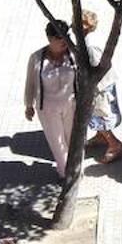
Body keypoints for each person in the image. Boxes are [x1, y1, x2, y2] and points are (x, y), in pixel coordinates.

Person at [21, 19, 76, 178]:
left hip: (72, 105)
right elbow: (30, 82)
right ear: (50, 39)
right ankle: (67, 175)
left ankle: (74, 169)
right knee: (58, 144)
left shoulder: (73, 54)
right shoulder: (37, 58)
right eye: (59, 38)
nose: (63, 41)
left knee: (73, 140)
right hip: (48, 109)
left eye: (66, 37)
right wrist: (28, 105)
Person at [78, 10, 122, 164]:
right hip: (97, 85)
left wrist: (92, 87)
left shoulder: (91, 45)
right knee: (96, 115)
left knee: (100, 114)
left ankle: (114, 144)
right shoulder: (86, 39)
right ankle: (100, 136)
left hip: (99, 87)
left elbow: (99, 67)